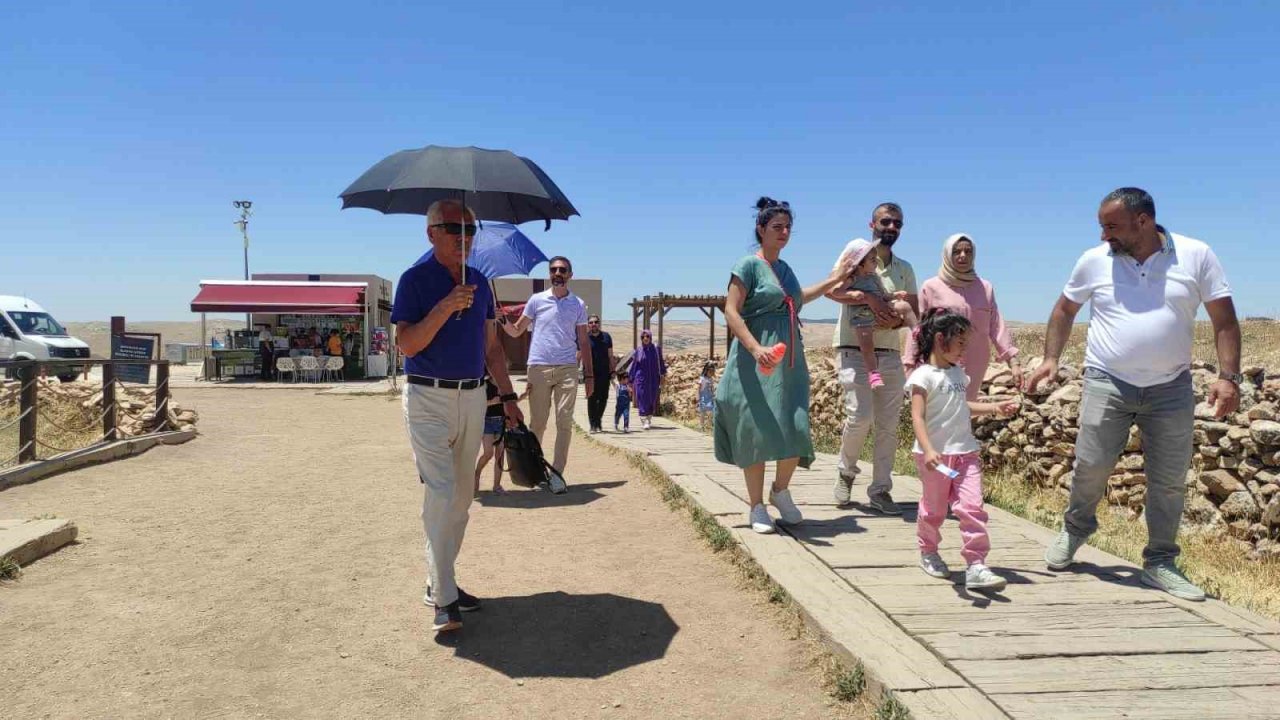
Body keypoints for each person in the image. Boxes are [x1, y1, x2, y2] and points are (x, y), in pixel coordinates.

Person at [1025, 187, 1241, 602]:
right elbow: (1064, 310)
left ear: (1142, 221)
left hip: (1171, 386)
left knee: (1169, 479)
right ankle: (1076, 528)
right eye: (1102, 226)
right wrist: (1050, 358)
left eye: (1111, 226)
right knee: (1091, 463)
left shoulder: (1196, 255)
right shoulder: (1094, 261)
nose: (1105, 235)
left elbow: (1225, 319)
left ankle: (1160, 562)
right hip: (1108, 379)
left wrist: (1228, 376)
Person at [392, 199, 524, 633]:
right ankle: (444, 599)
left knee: (463, 498)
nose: (464, 237)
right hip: (427, 396)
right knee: (443, 491)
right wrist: (445, 307)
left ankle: (440, 580)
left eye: (470, 229)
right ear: (431, 233)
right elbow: (408, 345)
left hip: (472, 397)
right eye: (453, 228)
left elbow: (491, 348)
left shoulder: (481, 284)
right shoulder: (414, 280)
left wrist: (506, 395)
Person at [715, 197, 854, 534]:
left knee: (794, 423)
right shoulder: (747, 265)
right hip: (755, 358)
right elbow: (731, 310)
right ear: (761, 229)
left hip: (789, 358)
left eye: (788, 227)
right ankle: (756, 506)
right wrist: (754, 347)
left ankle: (780, 491)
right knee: (757, 429)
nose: (784, 232)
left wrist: (835, 278)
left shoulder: (786, 270)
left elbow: (799, 298)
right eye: (777, 227)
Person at [907, 308, 1018, 591]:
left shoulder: (958, 374)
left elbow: (961, 406)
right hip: (935, 458)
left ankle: (976, 564)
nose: (964, 351)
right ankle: (928, 551)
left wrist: (993, 408)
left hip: (966, 453)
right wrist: (929, 449)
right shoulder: (923, 376)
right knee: (934, 510)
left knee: (971, 506)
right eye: (960, 344)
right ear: (941, 340)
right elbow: (917, 416)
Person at [827, 203, 919, 515]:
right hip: (854, 349)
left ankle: (881, 490)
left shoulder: (904, 269)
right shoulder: (855, 256)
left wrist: (890, 321)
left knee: (888, 425)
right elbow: (831, 288)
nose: (891, 227)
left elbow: (912, 310)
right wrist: (865, 297)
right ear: (872, 224)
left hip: (890, 352)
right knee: (860, 416)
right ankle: (846, 472)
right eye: (885, 222)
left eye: (897, 223)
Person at [500, 256, 594, 473]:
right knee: (538, 423)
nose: (557, 273)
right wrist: (502, 320)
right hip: (539, 367)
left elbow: (583, 341)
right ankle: (534, 469)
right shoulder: (536, 300)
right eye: (553, 270)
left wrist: (589, 376)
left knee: (564, 422)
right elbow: (516, 330)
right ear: (550, 274)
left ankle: (557, 472)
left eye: (562, 270)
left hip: (568, 368)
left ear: (570, 275)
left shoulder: (578, 304)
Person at [904, 234, 1021, 399]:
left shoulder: (985, 288)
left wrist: (1013, 361)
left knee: (966, 410)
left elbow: (996, 326)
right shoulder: (931, 287)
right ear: (947, 255)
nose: (963, 256)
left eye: (968, 251)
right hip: (940, 361)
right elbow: (917, 328)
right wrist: (910, 363)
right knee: (940, 409)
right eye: (956, 252)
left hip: (976, 361)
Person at [837, 238, 918, 388]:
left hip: (881, 308)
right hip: (862, 316)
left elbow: (883, 295)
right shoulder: (852, 278)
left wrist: (894, 296)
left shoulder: (874, 277)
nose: (876, 263)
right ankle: (873, 373)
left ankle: (917, 332)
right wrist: (852, 294)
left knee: (905, 306)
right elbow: (836, 291)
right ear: (860, 263)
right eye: (873, 260)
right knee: (867, 346)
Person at [628, 329, 667, 430]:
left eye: (647, 336)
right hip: (641, 379)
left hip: (654, 379)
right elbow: (635, 365)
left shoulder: (656, 349)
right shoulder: (639, 350)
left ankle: (649, 418)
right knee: (642, 398)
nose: (645, 338)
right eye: (643, 337)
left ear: (650, 337)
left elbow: (661, 362)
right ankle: (643, 419)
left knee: (652, 398)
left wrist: (663, 374)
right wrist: (630, 380)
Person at [474, 380, 507, 495]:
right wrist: (492, 402)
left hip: (501, 422)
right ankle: (476, 473)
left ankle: (497, 485)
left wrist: (524, 395)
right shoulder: (484, 384)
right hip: (487, 421)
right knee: (488, 453)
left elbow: (511, 401)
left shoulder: (505, 383)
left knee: (500, 454)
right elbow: (477, 403)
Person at [585, 314, 616, 433]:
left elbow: (610, 355)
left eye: (596, 322)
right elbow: (579, 355)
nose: (593, 324)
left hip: (604, 373)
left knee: (603, 398)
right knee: (592, 398)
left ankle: (598, 421)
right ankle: (593, 425)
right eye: (591, 322)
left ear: (599, 323)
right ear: (588, 325)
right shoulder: (585, 338)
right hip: (590, 374)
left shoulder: (606, 337)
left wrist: (613, 370)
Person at [697, 361, 717, 432]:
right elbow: (699, 388)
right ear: (706, 370)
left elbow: (712, 388)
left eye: (712, 371)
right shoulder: (702, 379)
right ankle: (701, 426)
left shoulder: (711, 379)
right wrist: (698, 397)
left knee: (712, 411)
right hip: (703, 397)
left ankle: (710, 425)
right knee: (702, 412)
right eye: (710, 371)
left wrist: (713, 394)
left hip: (710, 397)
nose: (711, 373)